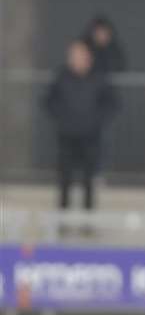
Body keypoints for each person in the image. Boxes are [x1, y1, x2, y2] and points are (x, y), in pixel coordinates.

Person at [45, 39, 117, 213]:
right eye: (73, 56)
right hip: (67, 135)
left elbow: (111, 103)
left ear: (88, 58)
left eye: (80, 55)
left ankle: (88, 218)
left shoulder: (99, 78)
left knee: (88, 179)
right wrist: (61, 118)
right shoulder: (61, 76)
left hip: (90, 136)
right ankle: (62, 218)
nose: (77, 60)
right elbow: (49, 101)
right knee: (64, 178)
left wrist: (96, 120)